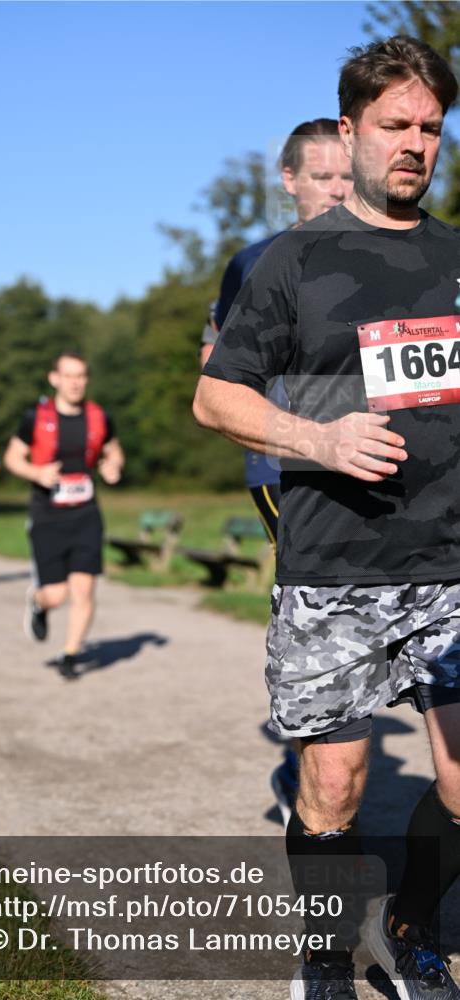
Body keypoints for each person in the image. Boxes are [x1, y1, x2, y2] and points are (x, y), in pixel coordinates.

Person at [194, 35, 459, 1000]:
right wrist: (319, 438)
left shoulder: (454, 257)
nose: (414, 143)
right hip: (338, 564)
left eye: (430, 127)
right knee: (334, 787)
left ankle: (409, 928)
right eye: (394, 125)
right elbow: (216, 397)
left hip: (451, 563)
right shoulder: (292, 261)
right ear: (348, 133)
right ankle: (322, 954)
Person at [201, 118, 354, 828]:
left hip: (376, 456)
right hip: (283, 463)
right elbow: (214, 366)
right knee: (320, 610)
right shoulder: (254, 262)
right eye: (322, 176)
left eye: (347, 174)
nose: (338, 189)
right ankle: (312, 764)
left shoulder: (390, 254)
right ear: (289, 180)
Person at [5, 352, 124, 679]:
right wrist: (36, 473)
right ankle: (38, 602)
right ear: (54, 379)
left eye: (81, 376)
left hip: (86, 513)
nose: (75, 382)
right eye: (69, 376)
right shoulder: (34, 418)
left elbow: (114, 451)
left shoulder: (99, 416)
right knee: (56, 595)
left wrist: (113, 466)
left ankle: (70, 655)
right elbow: (12, 458)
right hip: (47, 514)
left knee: (84, 590)